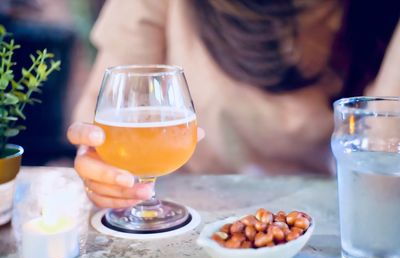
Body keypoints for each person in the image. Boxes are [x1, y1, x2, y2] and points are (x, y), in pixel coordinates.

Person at [67, 0, 400, 208]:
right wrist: (102, 172)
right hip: (187, 215)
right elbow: (104, 116)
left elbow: (382, 174)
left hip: (318, 219)